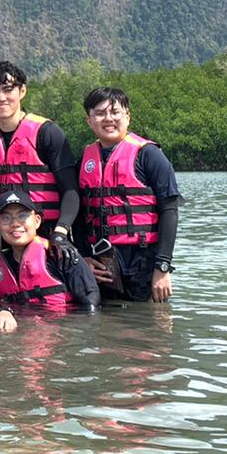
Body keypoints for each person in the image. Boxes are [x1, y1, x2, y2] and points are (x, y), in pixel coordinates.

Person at [76, 87, 183, 303]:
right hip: (102, 263)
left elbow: (169, 210)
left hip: (143, 260)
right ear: (89, 121)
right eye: (100, 113)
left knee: (149, 327)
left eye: (115, 112)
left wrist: (162, 267)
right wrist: (83, 257)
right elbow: (78, 215)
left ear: (127, 117)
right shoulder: (84, 161)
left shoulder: (149, 155)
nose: (108, 119)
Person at [0, 61, 83, 265]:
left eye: (8, 90)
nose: (1, 97)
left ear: (22, 91)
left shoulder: (47, 133)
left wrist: (61, 231)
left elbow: (70, 189)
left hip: (49, 235)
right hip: (8, 237)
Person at [0, 188, 100, 309]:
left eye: (22, 216)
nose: (15, 223)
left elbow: (91, 302)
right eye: (6, 218)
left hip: (62, 324)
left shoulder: (61, 256)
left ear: (37, 221)